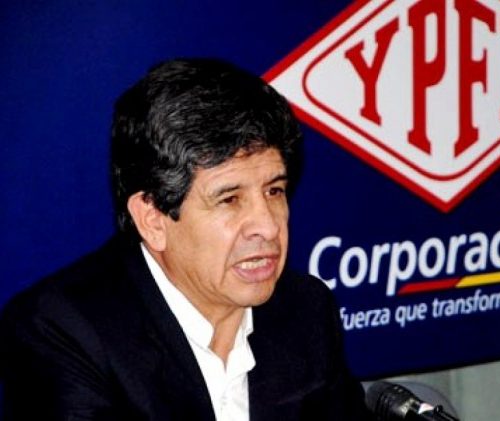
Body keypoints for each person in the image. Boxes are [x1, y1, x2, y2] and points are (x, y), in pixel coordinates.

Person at [0, 59, 371, 420]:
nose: (269, 227)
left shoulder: (305, 310)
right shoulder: (65, 333)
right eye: (230, 199)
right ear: (153, 219)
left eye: (274, 191)